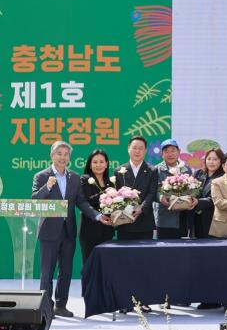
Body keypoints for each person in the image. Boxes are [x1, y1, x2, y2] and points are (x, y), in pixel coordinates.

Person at [31, 141, 110, 317]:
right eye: (59, 153)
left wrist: (97, 216)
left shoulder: (74, 177)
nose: (62, 157)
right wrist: (48, 186)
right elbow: (35, 200)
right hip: (49, 231)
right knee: (47, 272)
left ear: (69, 157)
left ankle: (61, 305)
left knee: (65, 271)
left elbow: (81, 202)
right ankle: (46, 307)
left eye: (66, 154)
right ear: (52, 155)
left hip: (68, 231)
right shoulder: (41, 176)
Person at [114, 136, 158, 241]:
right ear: (128, 149)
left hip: (144, 222)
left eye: (141, 148)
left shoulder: (152, 170)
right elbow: (116, 195)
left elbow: (152, 193)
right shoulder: (119, 170)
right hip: (124, 221)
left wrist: (141, 208)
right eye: (134, 148)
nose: (137, 151)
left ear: (145, 151)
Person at [154, 139, 196, 239]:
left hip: (183, 217)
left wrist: (193, 197)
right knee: (164, 246)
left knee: (182, 246)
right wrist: (161, 198)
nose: (170, 154)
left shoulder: (186, 169)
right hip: (165, 218)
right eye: (166, 151)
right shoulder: (156, 170)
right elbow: (152, 191)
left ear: (179, 151)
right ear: (162, 154)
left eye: (173, 150)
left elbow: (192, 188)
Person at [79, 149, 116, 265]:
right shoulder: (84, 180)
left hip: (107, 230)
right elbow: (84, 202)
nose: (98, 165)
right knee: (89, 264)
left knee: (105, 264)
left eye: (101, 162)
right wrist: (98, 215)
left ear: (106, 164)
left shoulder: (111, 182)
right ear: (90, 165)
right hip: (89, 229)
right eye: (95, 162)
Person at [193, 148, 225, 239]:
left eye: (215, 159)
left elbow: (217, 199)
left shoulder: (223, 178)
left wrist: (198, 202)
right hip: (195, 219)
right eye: (209, 159)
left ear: (221, 161)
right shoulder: (198, 173)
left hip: (212, 220)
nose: (211, 162)